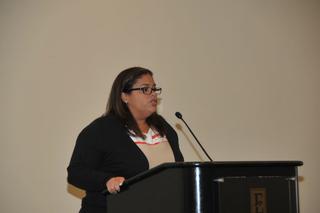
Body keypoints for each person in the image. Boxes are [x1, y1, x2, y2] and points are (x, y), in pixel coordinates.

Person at [67, 67, 184, 213]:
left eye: (154, 89)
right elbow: (76, 173)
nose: (153, 94)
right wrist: (107, 180)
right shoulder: (102, 130)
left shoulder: (164, 128)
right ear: (124, 96)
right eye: (145, 89)